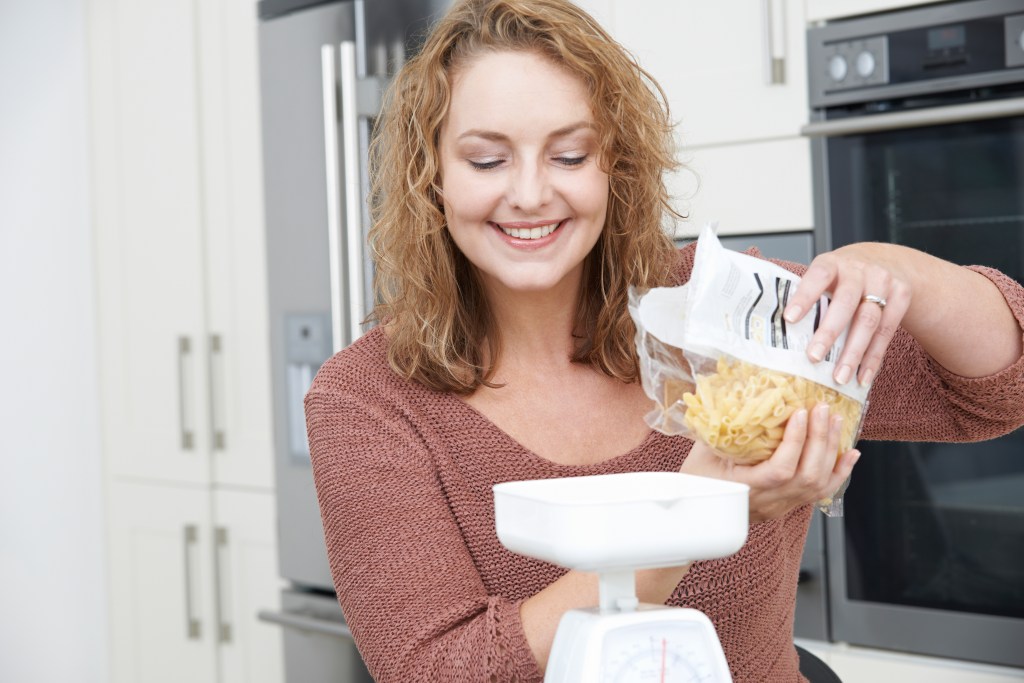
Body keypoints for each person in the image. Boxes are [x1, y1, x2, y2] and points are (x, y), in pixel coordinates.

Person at [304, 0, 1024, 680]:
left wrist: (903, 273)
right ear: (430, 178)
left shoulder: (720, 307)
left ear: (614, 166)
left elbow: (994, 391)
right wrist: (703, 511)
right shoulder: (367, 397)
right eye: (488, 160)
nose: (528, 193)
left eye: (569, 155)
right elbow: (438, 669)